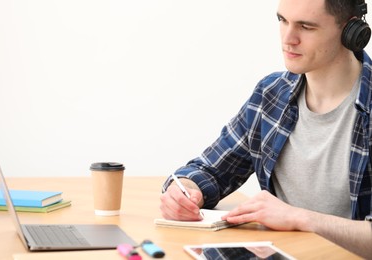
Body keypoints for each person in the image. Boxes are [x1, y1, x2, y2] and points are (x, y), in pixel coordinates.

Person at [159, 0, 372, 258]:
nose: (288, 39)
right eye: (282, 21)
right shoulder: (271, 95)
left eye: (306, 26)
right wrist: (184, 191)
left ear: (351, 31)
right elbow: (208, 170)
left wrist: (300, 218)